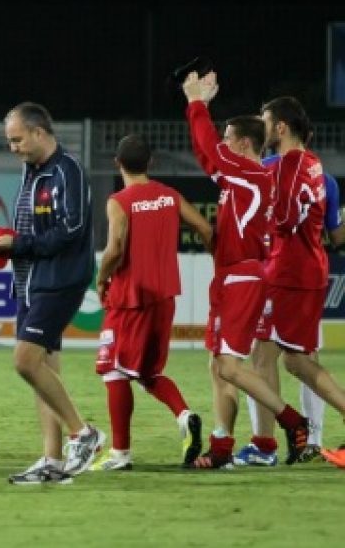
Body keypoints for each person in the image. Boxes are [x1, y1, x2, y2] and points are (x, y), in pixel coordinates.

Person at [179, 72, 309, 468]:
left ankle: (292, 421)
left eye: (228, 138)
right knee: (218, 364)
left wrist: (196, 103)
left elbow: (207, 150)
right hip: (232, 277)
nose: (221, 144)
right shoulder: (244, 178)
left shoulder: (251, 175)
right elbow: (208, 154)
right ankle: (221, 444)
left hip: (242, 279)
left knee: (231, 367)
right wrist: (201, 105)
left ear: (244, 145)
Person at [0, 101, 104, 485]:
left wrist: (17, 245)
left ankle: (83, 433)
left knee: (25, 361)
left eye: (17, 139)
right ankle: (52, 460)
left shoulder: (67, 170)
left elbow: (70, 230)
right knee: (43, 370)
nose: (12, 147)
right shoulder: (32, 170)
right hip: (31, 281)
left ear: (38, 132)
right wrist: (6, 247)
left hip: (59, 280)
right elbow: (35, 228)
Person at [91, 135, 212, 471]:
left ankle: (120, 454)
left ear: (117, 163)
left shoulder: (119, 201)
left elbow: (115, 248)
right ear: (151, 163)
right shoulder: (170, 196)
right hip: (164, 297)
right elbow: (205, 228)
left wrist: (101, 279)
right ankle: (184, 416)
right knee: (148, 372)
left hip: (130, 298)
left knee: (113, 371)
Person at [238, 106, 337, 466]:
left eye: (264, 121)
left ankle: (265, 446)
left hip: (288, 273)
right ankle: (294, 439)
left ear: (280, 127)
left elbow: (285, 218)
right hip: (308, 270)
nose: (260, 127)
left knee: (263, 357)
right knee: (297, 360)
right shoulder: (314, 164)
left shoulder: (287, 168)